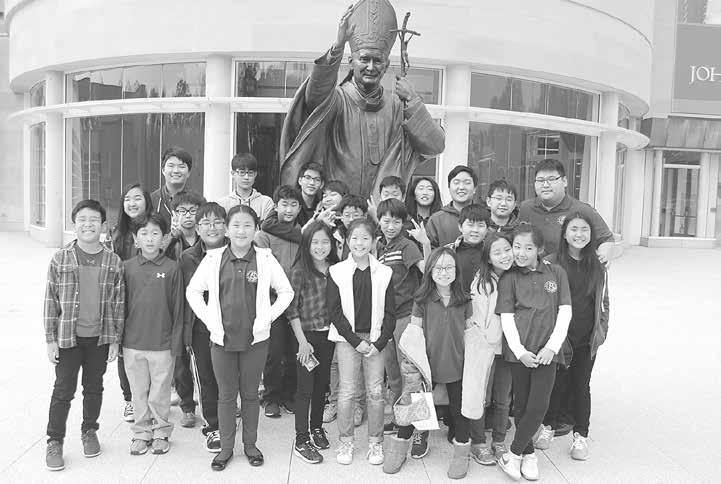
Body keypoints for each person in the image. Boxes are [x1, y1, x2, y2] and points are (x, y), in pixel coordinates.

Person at [279, 1, 445, 197]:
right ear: (351, 62)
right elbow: (315, 96)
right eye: (365, 59)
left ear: (386, 64)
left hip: (384, 217)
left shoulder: (397, 106)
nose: (371, 67)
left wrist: (413, 100)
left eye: (378, 60)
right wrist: (338, 46)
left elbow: (435, 145)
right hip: (340, 213)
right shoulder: (338, 100)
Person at [186, 205, 294, 471]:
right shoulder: (213, 258)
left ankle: (250, 445)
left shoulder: (265, 258)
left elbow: (286, 292)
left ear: (256, 228)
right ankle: (225, 449)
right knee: (225, 395)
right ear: (226, 229)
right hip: (221, 340)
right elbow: (193, 292)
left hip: (255, 340)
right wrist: (210, 320)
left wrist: (266, 317)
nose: (241, 231)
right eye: (235, 225)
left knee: (249, 396)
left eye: (247, 225)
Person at [44, 200, 124, 471]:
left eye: (94, 220)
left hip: (98, 338)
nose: (88, 224)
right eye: (82, 219)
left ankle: (89, 430)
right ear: (74, 224)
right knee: (63, 390)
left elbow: (118, 303)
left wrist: (115, 338)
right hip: (68, 338)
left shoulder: (114, 261)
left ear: (103, 225)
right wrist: (50, 339)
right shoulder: (61, 258)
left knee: (94, 387)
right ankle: (54, 440)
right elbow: (50, 302)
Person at [383, 247, 474, 479]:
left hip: (457, 364)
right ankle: (400, 446)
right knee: (415, 407)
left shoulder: (464, 299)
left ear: (456, 270)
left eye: (449, 267)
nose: (444, 272)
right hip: (427, 366)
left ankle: (462, 453)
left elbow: (471, 333)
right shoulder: (422, 299)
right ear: (430, 271)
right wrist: (412, 364)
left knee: (459, 411)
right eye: (438, 268)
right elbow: (414, 333)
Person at [496, 224, 572, 481]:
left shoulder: (556, 273)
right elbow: (506, 317)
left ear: (539, 249)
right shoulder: (509, 278)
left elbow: (565, 312)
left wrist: (552, 347)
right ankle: (528, 454)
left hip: (547, 353)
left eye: (528, 247)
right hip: (520, 354)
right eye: (517, 246)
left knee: (539, 405)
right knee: (522, 404)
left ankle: (514, 453)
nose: (521, 252)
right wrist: (519, 352)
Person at [537, 212, 609, 461]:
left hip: (586, 338)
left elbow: (604, 302)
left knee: (581, 385)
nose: (579, 234)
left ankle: (581, 435)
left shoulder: (598, 265)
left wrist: (601, 332)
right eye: (574, 229)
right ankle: (548, 427)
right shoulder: (549, 263)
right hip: (558, 337)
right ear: (565, 233)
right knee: (555, 384)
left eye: (584, 230)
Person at [326, 218, 395, 466]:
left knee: (376, 393)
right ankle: (346, 441)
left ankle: (376, 444)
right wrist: (356, 341)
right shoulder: (336, 271)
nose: (360, 243)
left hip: (376, 340)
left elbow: (390, 313)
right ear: (346, 240)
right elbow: (333, 312)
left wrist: (379, 342)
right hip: (348, 340)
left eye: (365, 238)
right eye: (354, 237)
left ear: (374, 241)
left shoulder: (385, 273)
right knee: (346, 392)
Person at [122, 213, 184, 456]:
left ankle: (160, 431)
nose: (149, 238)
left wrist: (177, 342)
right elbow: (120, 307)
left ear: (164, 239)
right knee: (138, 390)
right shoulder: (126, 267)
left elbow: (178, 308)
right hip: (133, 342)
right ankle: (141, 432)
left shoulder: (172, 268)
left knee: (160, 391)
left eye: (155, 233)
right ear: (135, 240)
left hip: (162, 343)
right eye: (144, 234)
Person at [286, 221, 340, 464]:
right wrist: (302, 342)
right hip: (305, 338)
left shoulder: (336, 269)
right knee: (305, 389)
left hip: (328, 337)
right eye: (315, 242)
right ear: (306, 244)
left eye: (325, 242)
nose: (320, 247)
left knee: (321, 387)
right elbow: (292, 309)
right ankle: (301, 438)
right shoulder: (299, 270)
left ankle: (317, 427)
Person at [179, 202, 229, 453]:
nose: (212, 227)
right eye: (206, 223)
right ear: (197, 229)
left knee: (229, 377)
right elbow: (185, 297)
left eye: (218, 222)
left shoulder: (240, 251)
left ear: (227, 226)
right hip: (201, 328)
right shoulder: (188, 257)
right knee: (207, 377)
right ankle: (213, 427)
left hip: (232, 325)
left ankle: (228, 416)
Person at [375, 199, 427, 442]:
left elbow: (428, 269)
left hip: (406, 316)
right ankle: (399, 418)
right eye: (386, 220)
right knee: (393, 373)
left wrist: (425, 242)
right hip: (386, 319)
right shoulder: (378, 246)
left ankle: (419, 427)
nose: (391, 226)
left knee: (412, 374)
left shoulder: (407, 246)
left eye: (396, 221)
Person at [255, 185, 304, 418]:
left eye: (293, 205)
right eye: (284, 204)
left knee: (295, 351)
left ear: (299, 208)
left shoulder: (302, 234)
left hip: (297, 304)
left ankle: (289, 395)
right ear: (275, 206)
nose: (288, 209)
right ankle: (271, 397)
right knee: (273, 353)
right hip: (272, 302)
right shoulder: (263, 236)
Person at [467, 233, 514, 465]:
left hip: (510, 349)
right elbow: (478, 320)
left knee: (503, 398)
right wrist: (486, 345)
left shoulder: (518, 276)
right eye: (497, 252)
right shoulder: (483, 282)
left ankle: (499, 441)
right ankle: (478, 443)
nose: (504, 256)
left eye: (507, 250)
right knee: (480, 396)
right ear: (488, 258)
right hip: (486, 348)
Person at [108, 183, 153, 422]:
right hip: (124, 299)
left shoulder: (155, 228)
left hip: (150, 297)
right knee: (126, 351)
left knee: (151, 351)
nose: (132, 203)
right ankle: (129, 399)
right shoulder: (117, 232)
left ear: (147, 201)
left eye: (137, 198)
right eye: (127, 199)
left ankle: (151, 398)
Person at [518, 158, 616, 263]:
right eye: (541, 180)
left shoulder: (582, 210)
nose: (545, 185)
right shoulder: (526, 208)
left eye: (551, 179)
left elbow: (606, 239)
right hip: (532, 274)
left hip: (569, 275)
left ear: (564, 181)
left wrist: (603, 256)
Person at [164, 190, 206, 429]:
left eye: (192, 211)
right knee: (180, 362)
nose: (188, 216)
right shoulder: (171, 241)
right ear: (174, 214)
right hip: (177, 308)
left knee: (206, 361)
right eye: (182, 211)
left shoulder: (207, 240)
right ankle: (188, 407)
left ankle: (214, 401)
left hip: (202, 308)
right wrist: (171, 237)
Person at [426, 166, 477, 248]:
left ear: (475, 188)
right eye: (456, 183)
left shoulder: (484, 216)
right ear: (449, 187)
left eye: (467, 183)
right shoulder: (436, 220)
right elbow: (430, 253)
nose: (461, 187)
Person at [216, 153, 275, 222]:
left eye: (250, 173)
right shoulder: (222, 204)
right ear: (233, 174)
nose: (246, 177)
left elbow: (267, 230)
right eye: (242, 172)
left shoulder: (266, 202)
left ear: (255, 174)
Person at [445, 204, 490, 290]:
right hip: (456, 300)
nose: (475, 230)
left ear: (487, 229)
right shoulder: (448, 251)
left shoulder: (492, 252)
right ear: (460, 227)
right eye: (470, 225)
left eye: (480, 225)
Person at [151, 146, 193, 227]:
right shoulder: (151, 200)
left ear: (188, 172)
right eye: (171, 166)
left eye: (181, 166)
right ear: (163, 170)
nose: (176, 171)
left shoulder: (197, 201)